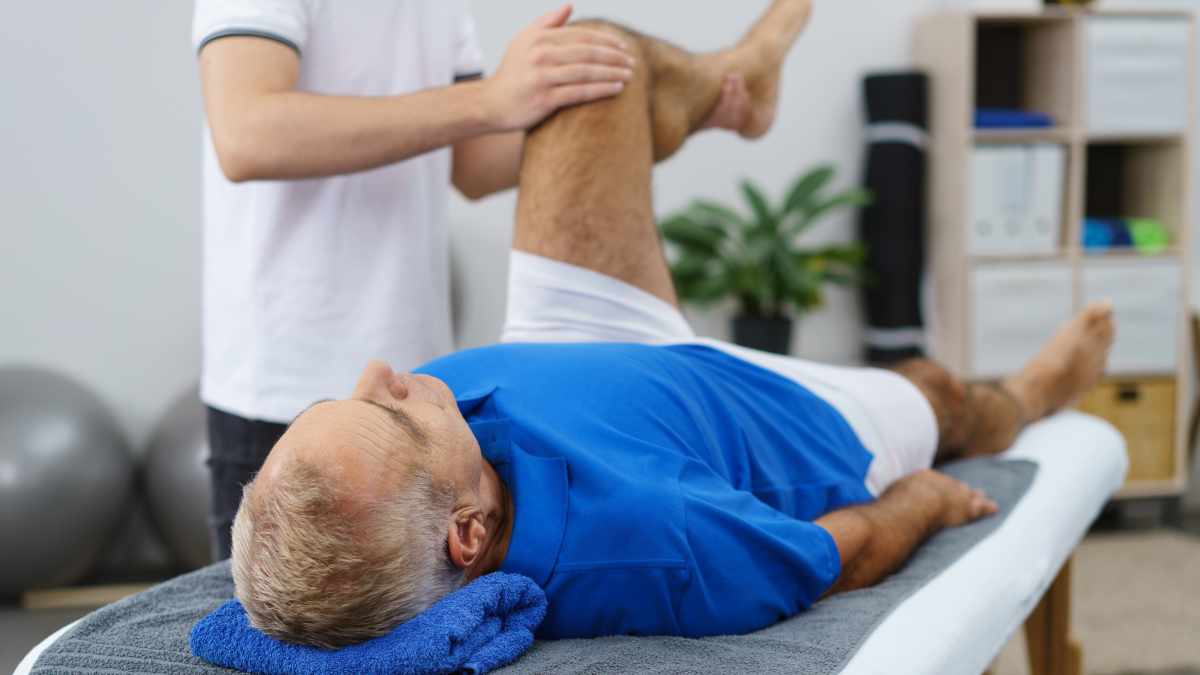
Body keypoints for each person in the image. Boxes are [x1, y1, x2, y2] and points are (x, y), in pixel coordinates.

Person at [227, 0, 1116, 648]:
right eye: (387, 411)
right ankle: (1031, 392)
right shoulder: (657, 539)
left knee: (586, 64)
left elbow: (473, 165)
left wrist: (509, 102)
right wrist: (926, 499)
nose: (381, 372)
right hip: (757, 417)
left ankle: (731, 85)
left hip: (577, 345)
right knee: (938, 392)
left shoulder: (442, 453)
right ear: (467, 534)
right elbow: (834, 556)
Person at [193, 0, 757, 560]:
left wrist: (661, 114)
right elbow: (248, 133)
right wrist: (490, 99)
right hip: (284, 393)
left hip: (418, 394)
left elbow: (477, 161)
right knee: (289, 609)